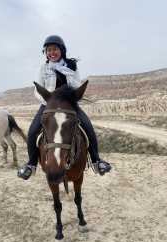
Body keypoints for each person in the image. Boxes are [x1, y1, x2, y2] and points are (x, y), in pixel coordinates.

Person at [18, 35, 111, 180]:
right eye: (48, 50)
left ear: (61, 50)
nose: (52, 52)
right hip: (48, 104)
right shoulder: (43, 68)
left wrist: (72, 95)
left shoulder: (71, 66)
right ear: (46, 53)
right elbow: (37, 89)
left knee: (88, 127)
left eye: (55, 49)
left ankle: (96, 161)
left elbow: (76, 85)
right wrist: (49, 100)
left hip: (69, 105)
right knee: (32, 132)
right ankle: (31, 164)